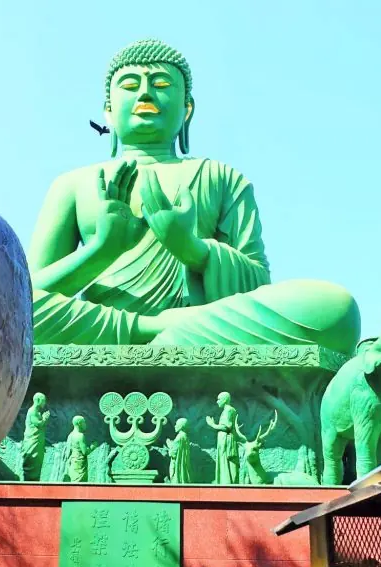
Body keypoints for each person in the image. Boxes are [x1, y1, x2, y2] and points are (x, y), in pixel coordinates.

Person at [27, 38, 360, 352]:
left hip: (202, 324)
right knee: (1, 310)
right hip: (105, 328)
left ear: (187, 110)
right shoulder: (72, 184)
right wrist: (103, 250)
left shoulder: (221, 177)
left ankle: (162, 332)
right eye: (130, 86)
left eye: (161, 85)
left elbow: (258, 284)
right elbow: (23, 298)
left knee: (336, 309)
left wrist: (193, 249)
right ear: (108, 112)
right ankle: (148, 330)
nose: (145, 93)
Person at [206, 392, 239, 484]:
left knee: (226, 461)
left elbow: (226, 426)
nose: (217, 402)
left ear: (225, 400)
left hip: (226, 441)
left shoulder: (229, 410)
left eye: (219, 399)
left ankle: (227, 481)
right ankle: (224, 480)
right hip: (223, 440)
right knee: (224, 460)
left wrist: (212, 424)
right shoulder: (226, 410)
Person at [21, 393, 50, 481]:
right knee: (31, 461)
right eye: (43, 400)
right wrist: (45, 418)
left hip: (37, 443)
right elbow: (38, 424)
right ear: (37, 400)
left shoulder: (37, 412)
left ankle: (35, 481)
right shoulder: (32, 411)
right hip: (32, 442)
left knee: (37, 463)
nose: (44, 403)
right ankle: (30, 482)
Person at [66, 415, 92, 483]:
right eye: (84, 422)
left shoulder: (70, 435)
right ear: (79, 423)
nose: (85, 425)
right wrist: (93, 447)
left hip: (73, 462)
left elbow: (68, 452)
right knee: (80, 483)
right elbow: (85, 452)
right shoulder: (80, 436)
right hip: (80, 464)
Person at [165, 417, 192, 484]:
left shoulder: (179, 437)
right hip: (184, 464)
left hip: (177, 464)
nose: (175, 426)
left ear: (181, 426)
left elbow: (173, 453)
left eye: (177, 424)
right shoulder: (185, 437)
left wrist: (169, 444)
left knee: (175, 477)